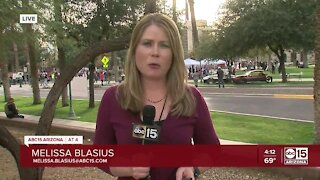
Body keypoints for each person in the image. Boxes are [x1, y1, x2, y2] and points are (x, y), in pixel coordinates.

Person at [93, 13, 220, 180]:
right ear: (135, 50)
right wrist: (129, 169)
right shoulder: (114, 98)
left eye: (164, 45)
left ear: (174, 53)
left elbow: (212, 151)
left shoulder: (191, 98)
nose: (155, 52)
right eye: (147, 44)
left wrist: (193, 167)